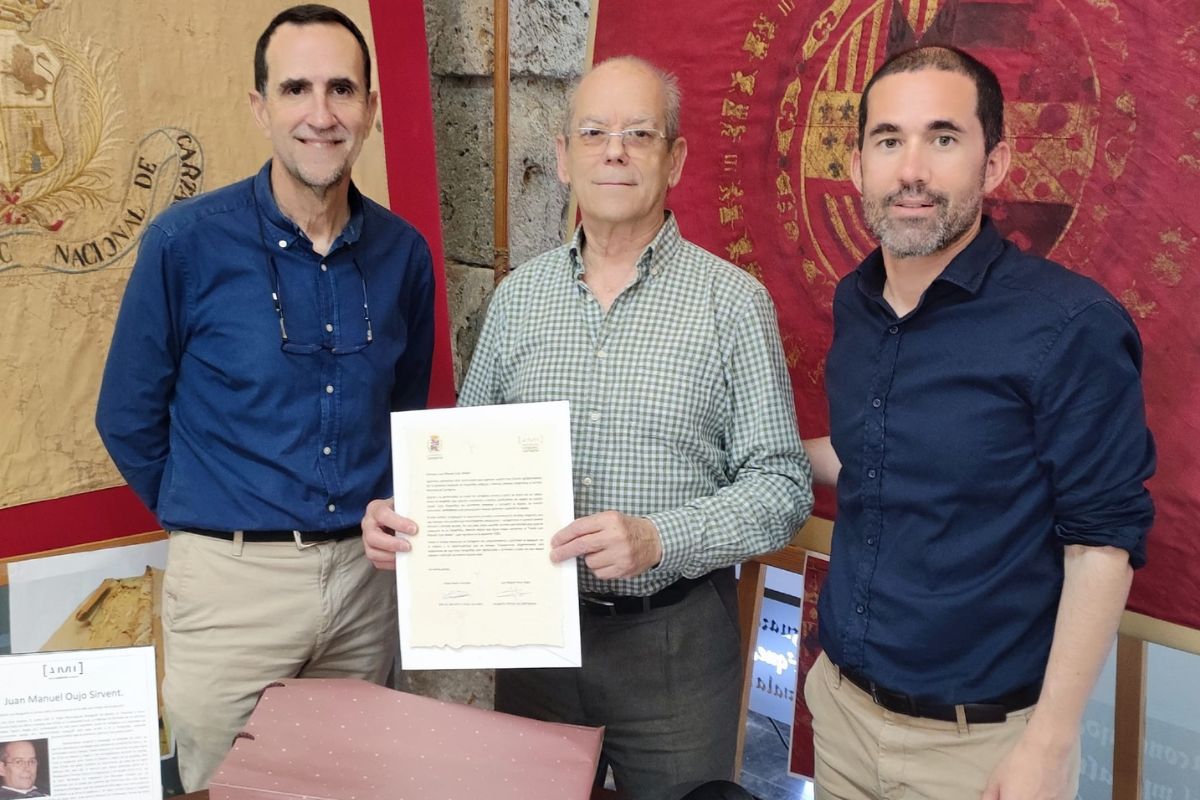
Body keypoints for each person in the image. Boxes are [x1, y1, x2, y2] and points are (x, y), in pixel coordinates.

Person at [362, 56, 813, 800]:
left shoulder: (733, 305)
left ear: (676, 159)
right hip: (533, 637)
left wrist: (661, 537)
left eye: (640, 134)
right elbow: (465, 459)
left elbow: (783, 487)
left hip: (674, 646)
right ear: (564, 157)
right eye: (594, 132)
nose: (615, 151)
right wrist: (407, 517)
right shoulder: (519, 301)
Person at [95, 4, 434, 790]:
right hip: (229, 593)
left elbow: (406, 422)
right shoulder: (184, 244)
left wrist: (380, 510)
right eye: (296, 89)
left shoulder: (403, 255)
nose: (321, 114)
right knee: (228, 789)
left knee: (357, 783)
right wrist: (213, 516)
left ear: (371, 110)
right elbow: (127, 416)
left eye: (343, 89)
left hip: (363, 588)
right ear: (260, 107)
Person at [802, 45, 1155, 800]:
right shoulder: (856, 303)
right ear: (859, 160)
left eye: (944, 138)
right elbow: (885, 450)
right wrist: (772, 460)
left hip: (982, 751)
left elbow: (1103, 542)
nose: (912, 171)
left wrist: (1051, 745)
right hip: (839, 716)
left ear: (994, 164)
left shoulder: (1069, 324)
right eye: (888, 140)